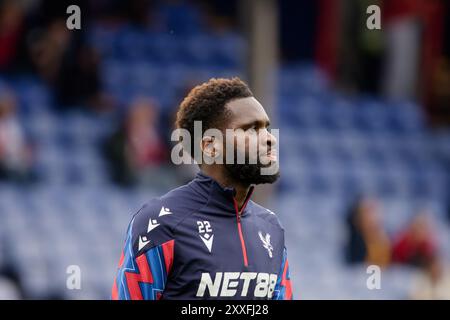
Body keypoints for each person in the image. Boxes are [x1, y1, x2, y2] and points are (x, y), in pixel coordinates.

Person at [111, 78, 292, 300]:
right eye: (251, 129)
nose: (270, 139)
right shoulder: (160, 224)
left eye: (267, 128)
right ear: (210, 146)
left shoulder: (272, 228)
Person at [344, 197, 392, 268]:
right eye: (368, 212)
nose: (374, 218)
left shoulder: (384, 241)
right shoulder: (356, 245)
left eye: (375, 212)